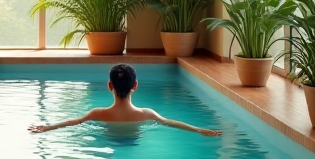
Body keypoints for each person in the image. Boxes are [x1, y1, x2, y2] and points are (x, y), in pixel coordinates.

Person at [28, 64, 223, 137]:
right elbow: (170, 123)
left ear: (109, 85)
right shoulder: (146, 114)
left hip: (110, 141)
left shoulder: (98, 113)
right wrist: (198, 130)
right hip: (135, 143)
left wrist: (48, 127)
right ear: (135, 86)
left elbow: (74, 122)